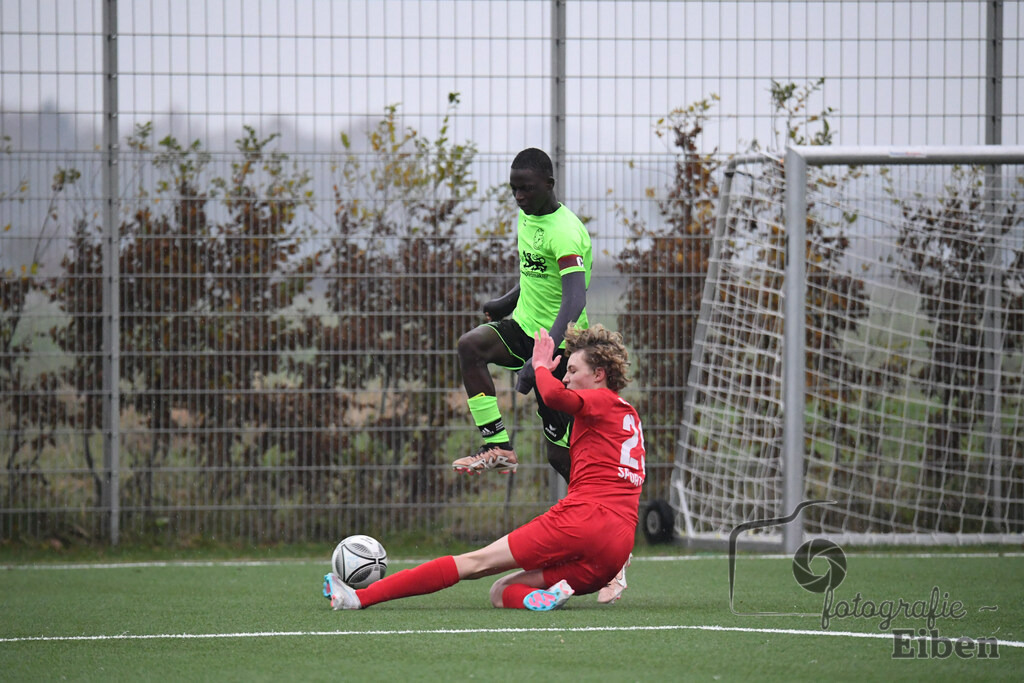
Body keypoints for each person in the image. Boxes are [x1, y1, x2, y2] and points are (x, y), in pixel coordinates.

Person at [323, 324, 645, 611]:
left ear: (600, 374)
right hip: (614, 548)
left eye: (574, 370)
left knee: (474, 563)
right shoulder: (628, 415)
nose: (568, 377)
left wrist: (541, 365)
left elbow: (551, 394)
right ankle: (546, 598)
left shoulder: (602, 401)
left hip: (584, 520)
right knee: (501, 591)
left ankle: (360, 597)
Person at [450, 147, 592, 483]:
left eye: (526, 188)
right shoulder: (527, 214)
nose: (518, 196)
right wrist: (506, 301)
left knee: (560, 455)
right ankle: (498, 448)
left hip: (561, 345)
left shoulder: (565, 233)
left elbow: (574, 300)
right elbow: (537, 274)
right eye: (514, 188)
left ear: (549, 184)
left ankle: (602, 513)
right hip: (524, 326)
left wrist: (542, 359)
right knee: (470, 346)